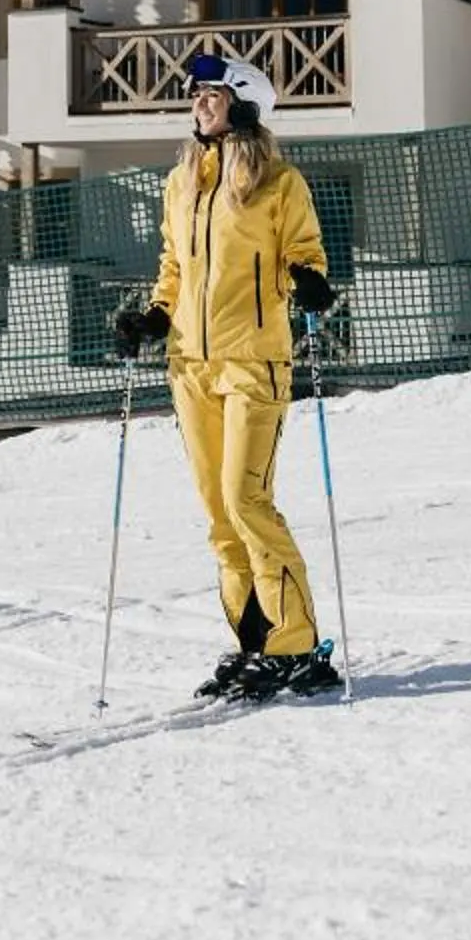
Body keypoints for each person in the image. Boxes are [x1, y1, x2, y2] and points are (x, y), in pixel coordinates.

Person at [109, 53, 343, 700]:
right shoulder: (181, 183)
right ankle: (254, 643)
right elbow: (174, 266)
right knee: (218, 514)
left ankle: (295, 644)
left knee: (248, 500)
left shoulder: (279, 182)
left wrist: (310, 281)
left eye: (210, 93)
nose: (198, 102)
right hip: (190, 367)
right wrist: (156, 317)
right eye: (196, 94)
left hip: (255, 362)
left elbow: (305, 251)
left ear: (242, 102)